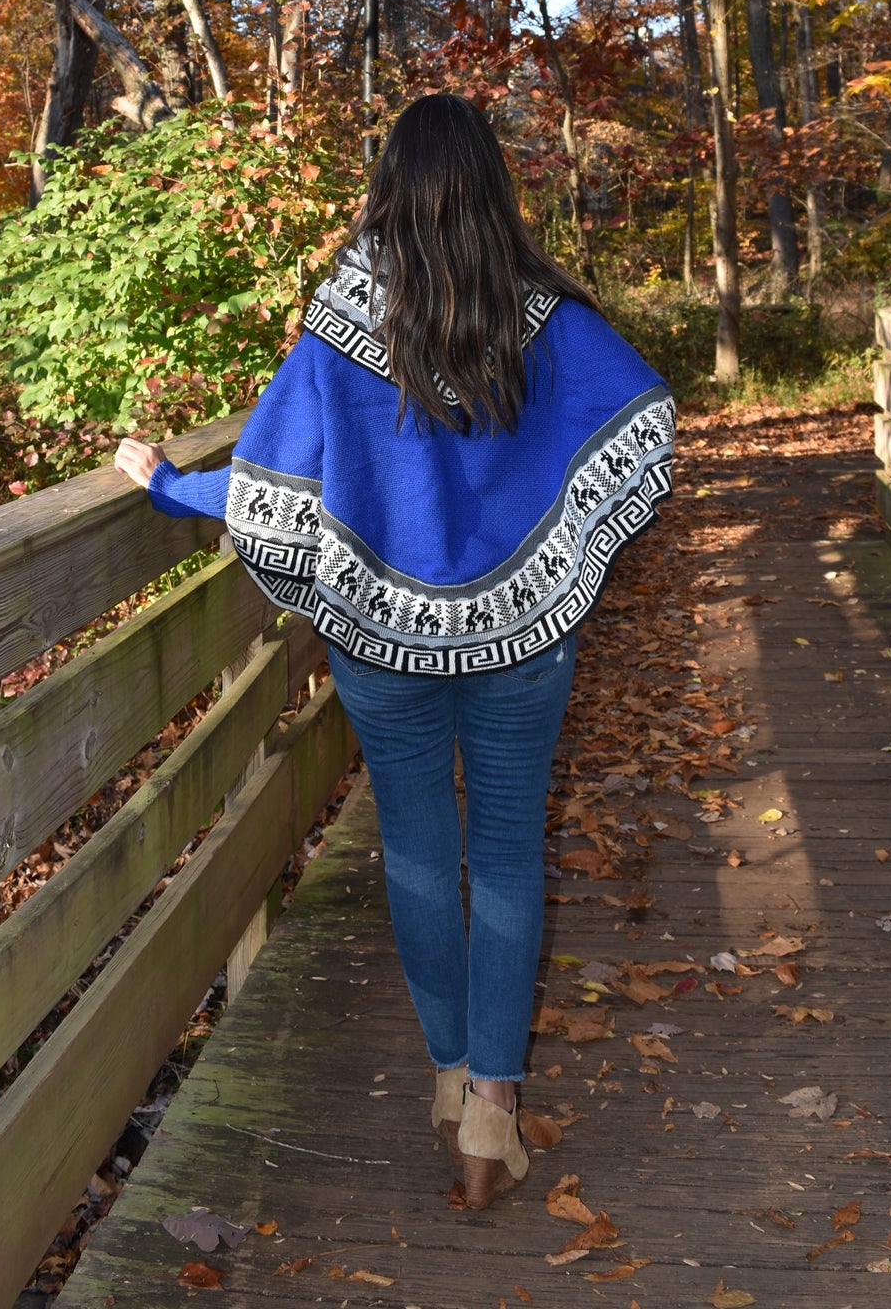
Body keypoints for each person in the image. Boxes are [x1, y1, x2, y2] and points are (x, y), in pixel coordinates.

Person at [115, 93, 675, 1208]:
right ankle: (491, 1109)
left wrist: (169, 482)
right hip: (523, 635)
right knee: (507, 850)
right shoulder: (546, 312)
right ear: (491, 187)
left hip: (381, 636)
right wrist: (563, 543)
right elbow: (644, 421)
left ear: (388, 186)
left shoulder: (342, 320)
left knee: (418, 846)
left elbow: (279, 478)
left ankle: (448, 1072)